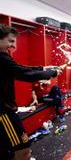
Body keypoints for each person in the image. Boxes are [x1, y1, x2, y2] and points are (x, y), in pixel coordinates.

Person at [0, 24, 63, 160]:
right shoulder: (1, 58)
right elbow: (24, 74)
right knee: (23, 150)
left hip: (8, 110)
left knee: (15, 150)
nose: (12, 46)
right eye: (10, 41)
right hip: (3, 113)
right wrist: (52, 73)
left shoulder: (4, 57)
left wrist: (43, 68)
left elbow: (19, 68)